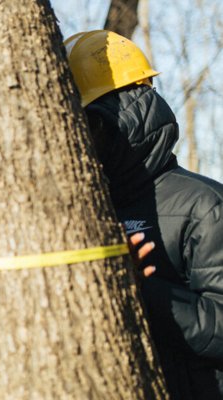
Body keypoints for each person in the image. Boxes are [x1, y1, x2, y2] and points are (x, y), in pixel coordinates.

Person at [66, 30, 223, 399]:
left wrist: (138, 290)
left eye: (87, 124)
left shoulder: (205, 205)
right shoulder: (84, 211)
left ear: (125, 111)